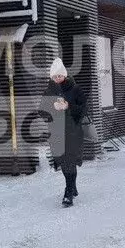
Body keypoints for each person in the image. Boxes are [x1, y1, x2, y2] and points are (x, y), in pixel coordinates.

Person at [39, 57, 88, 207]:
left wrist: (69, 107)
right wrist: (52, 109)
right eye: (54, 76)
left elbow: (84, 108)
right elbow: (41, 112)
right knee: (64, 162)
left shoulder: (75, 89)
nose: (57, 79)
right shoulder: (48, 92)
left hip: (73, 131)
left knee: (69, 161)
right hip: (56, 134)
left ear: (65, 75)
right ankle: (72, 186)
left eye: (59, 76)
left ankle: (68, 192)